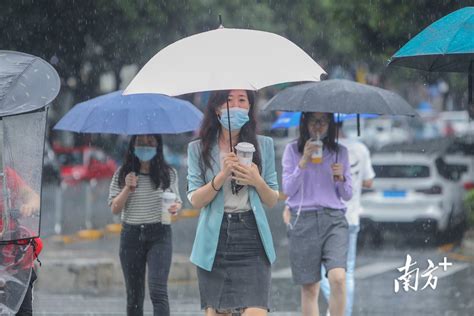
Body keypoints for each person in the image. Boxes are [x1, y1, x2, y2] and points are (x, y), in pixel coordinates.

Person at [187, 90, 279, 316]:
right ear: (217, 107)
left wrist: (256, 181)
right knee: (218, 312)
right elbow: (195, 200)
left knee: (256, 311)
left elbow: (272, 199)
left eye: (242, 100)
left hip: (251, 236)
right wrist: (221, 176)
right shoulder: (199, 149)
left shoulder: (263, 145)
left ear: (249, 107)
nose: (236, 106)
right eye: (229, 100)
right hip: (215, 238)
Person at [283, 123, 375, 316]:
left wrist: (341, 177)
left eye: (323, 120)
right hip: (304, 219)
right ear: (305, 121)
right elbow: (288, 189)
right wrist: (304, 160)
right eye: (314, 120)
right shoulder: (292, 149)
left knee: (339, 277)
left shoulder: (340, 151)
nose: (318, 126)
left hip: (334, 219)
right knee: (310, 287)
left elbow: (347, 194)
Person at [108, 134, 182, 316]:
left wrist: (175, 208)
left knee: (158, 291)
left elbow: (177, 202)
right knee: (134, 296)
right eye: (140, 142)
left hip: (160, 234)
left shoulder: (168, 173)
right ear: (133, 146)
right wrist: (127, 188)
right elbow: (114, 209)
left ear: (158, 145)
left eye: (150, 143)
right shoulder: (122, 173)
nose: (145, 147)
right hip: (131, 236)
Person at [0, 166, 43, 316]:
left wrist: (29, 206)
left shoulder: (6, 174)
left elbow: (32, 196)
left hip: (14, 254)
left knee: (23, 311)